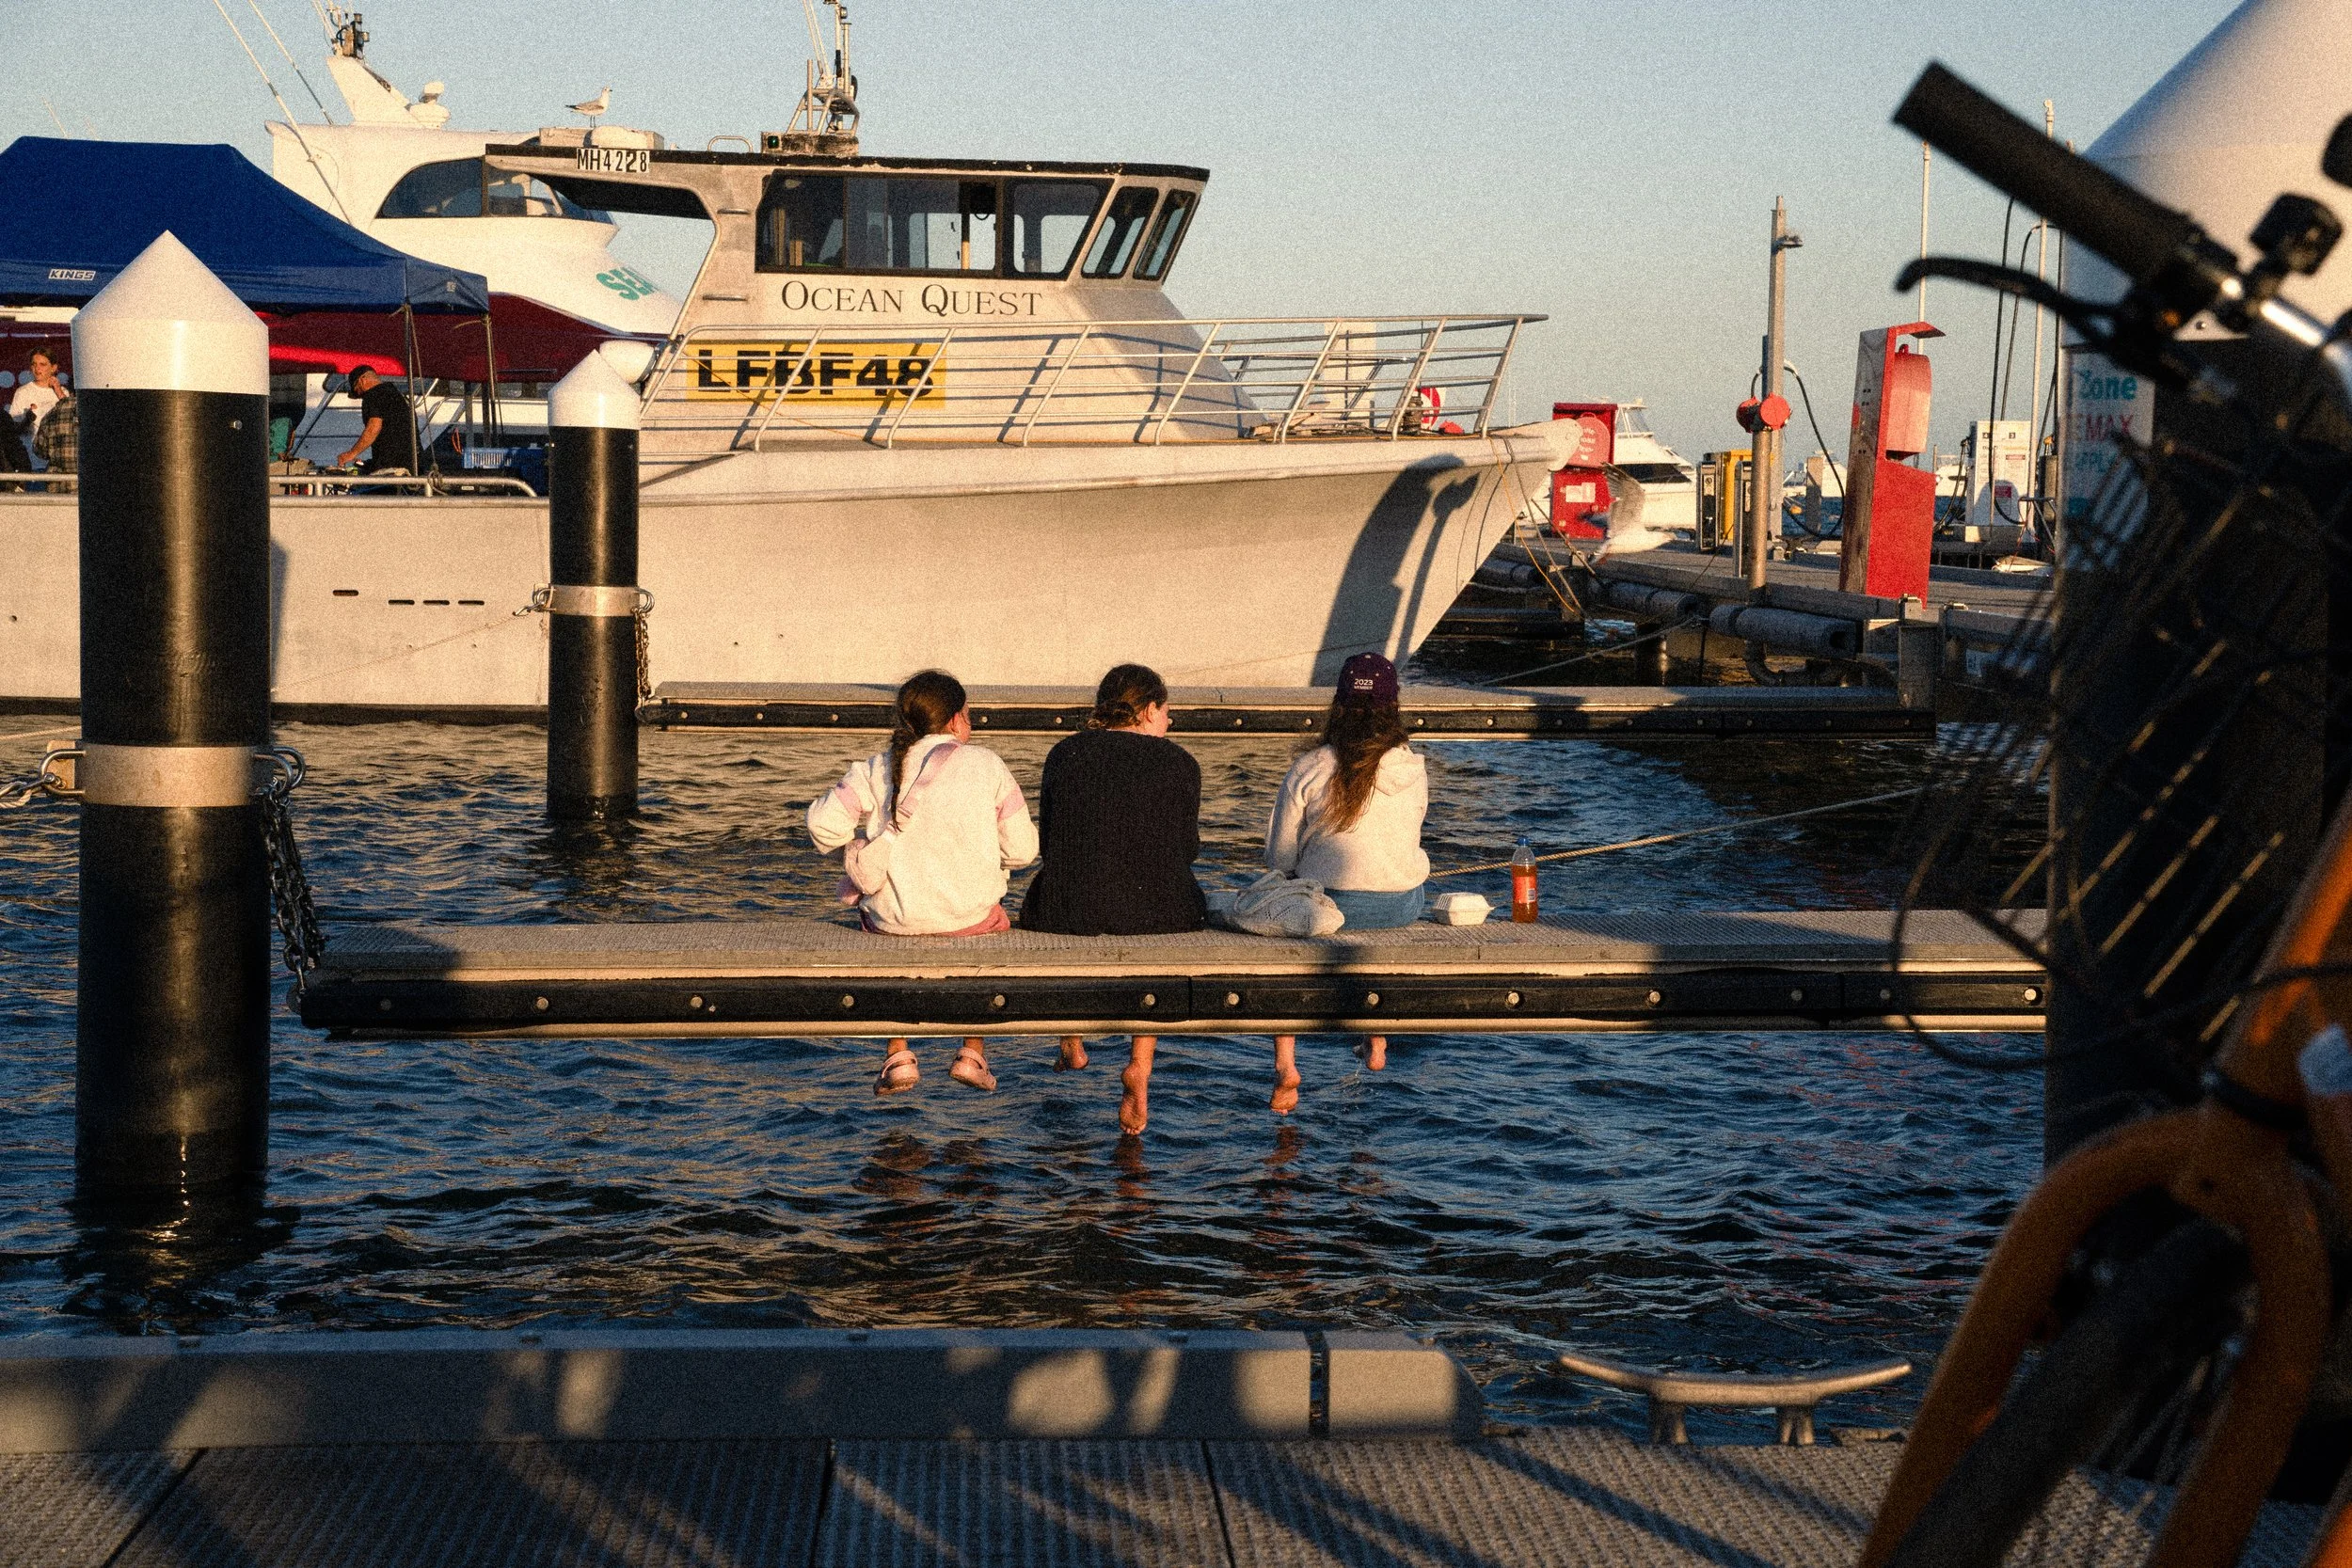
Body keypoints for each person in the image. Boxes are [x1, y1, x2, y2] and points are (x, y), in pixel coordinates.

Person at [807, 670, 1038, 1098]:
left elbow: (822, 825)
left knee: (878, 926)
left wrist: (859, 849)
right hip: (972, 923)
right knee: (991, 926)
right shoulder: (988, 765)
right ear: (955, 719)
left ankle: (897, 1055)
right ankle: (972, 1052)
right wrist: (989, 860)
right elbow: (1023, 850)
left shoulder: (875, 767)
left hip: (892, 925)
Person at [1019, 663, 1206, 1136]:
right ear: (1147, 710)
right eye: (1166, 712)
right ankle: (1140, 1064)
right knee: (1158, 934)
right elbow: (1187, 851)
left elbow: (1051, 844)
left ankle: (1071, 1038)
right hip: (1162, 911)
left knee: (1058, 893)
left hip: (1068, 908)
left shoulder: (1065, 753)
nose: (1169, 723)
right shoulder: (1182, 762)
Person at [1262, 651, 1430, 1100]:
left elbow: (1278, 859)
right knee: (1377, 908)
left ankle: (1287, 1067)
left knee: (1281, 930)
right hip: (1399, 907)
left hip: (1327, 908)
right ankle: (1375, 1041)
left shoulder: (1311, 766)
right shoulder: (1413, 767)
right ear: (1394, 708)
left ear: (1337, 706)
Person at [333, 367, 420, 474]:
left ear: (362, 380)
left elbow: (373, 428)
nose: (360, 396)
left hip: (392, 466)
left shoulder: (373, 395)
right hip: (415, 464)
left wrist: (351, 453)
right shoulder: (397, 394)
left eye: (357, 390)